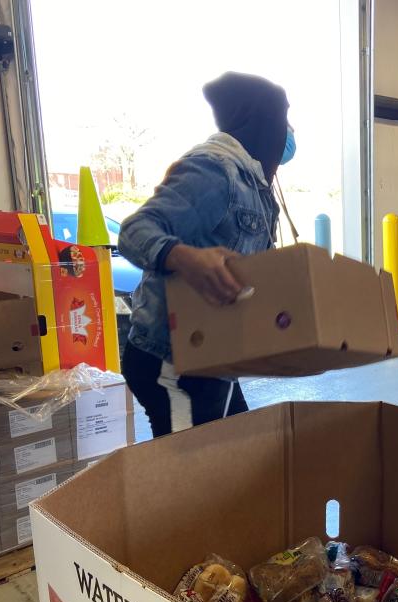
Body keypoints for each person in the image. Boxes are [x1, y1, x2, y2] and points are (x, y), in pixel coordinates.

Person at [117, 72, 293, 437]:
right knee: (191, 472)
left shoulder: (255, 183)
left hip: (213, 354)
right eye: (283, 121)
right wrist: (184, 257)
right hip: (173, 360)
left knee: (240, 445)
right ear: (262, 124)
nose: (288, 133)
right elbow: (134, 231)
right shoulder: (215, 171)